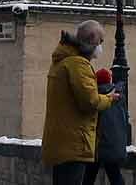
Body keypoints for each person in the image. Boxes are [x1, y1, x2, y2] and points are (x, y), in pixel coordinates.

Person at [43, 21, 123, 185]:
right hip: (74, 144)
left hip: (61, 143)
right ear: (92, 39)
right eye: (100, 42)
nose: (100, 47)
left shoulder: (62, 61)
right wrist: (109, 98)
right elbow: (90, 102)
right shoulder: (78, 64)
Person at [86, 68, 130, 185]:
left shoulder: (97, 97)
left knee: (88, 176)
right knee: (115, 174)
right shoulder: (120, 97)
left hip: (99, 144)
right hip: (115, 144)